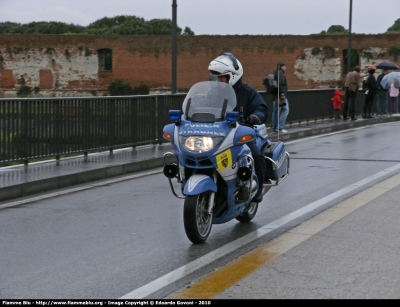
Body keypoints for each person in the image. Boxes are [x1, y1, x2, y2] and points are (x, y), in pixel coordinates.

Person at [208, 52, 269, 203]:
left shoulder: (248, 93)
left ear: (232, 76)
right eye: (217, 77)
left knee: (255, 153)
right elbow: (203, 104)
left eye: (222, 77)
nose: (219, 81)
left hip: (240, 133)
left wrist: (255, 116)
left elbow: (262, 108)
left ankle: (259, 188)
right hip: (217, 132)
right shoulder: (214, 92)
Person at [272, 61, 289, 133]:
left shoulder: (275, 73)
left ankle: (275, 128)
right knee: (285, 110)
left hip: (275, 96)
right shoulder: (281, 73)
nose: (286, 67)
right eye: (285, 66)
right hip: (280, 96)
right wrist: (283, 94)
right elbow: (281, 84)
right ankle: (281, 127)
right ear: (281, 66)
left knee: (275, 112)